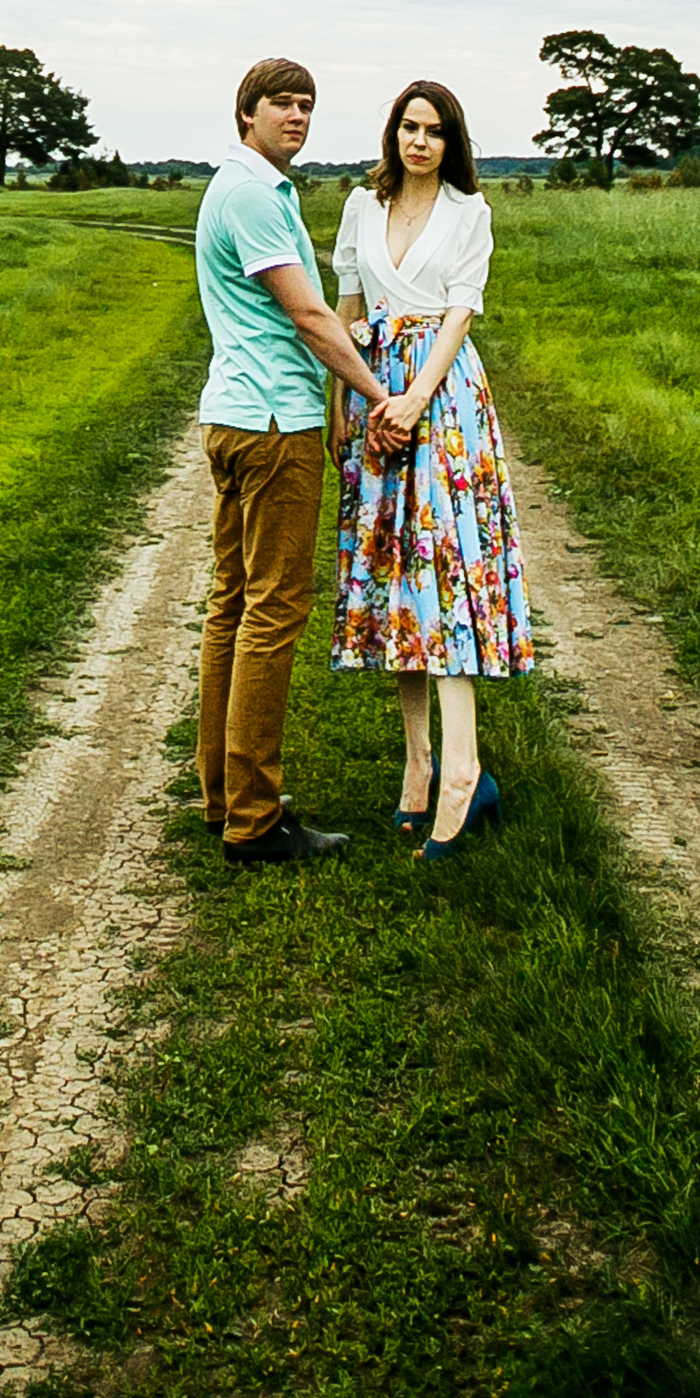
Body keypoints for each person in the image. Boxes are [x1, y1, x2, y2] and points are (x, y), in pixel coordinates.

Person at [195, 57, 402, 867]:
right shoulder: (252, 195)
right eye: (281, 103)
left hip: (236, 416)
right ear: (246, 113)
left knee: (234, 603)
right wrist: (379, 396)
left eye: (307, 105)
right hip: (274, 426)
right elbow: (311, 317)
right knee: (273, 609)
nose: (297, 116)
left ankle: (224, 794)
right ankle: (253, 819)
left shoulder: (247, 188)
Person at [329, 79, 533, 856]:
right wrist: (346, 402)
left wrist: (415, 398)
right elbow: (347, 310)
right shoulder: (362, 206)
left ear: (452, 143)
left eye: (435, 131)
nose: (420, 141)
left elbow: (458, 316)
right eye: (409, 128)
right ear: (394, 134)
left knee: (444, 575)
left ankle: (464, 772)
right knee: (396, 582)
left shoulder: (468, 213)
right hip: (373, 393)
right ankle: (418, 764)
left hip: (440, 401)